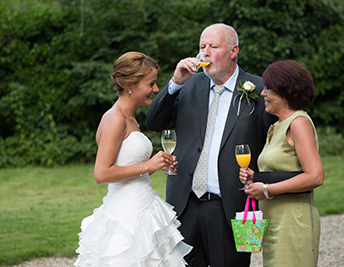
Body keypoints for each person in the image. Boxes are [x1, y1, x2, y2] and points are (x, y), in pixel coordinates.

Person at [145, 23, 297, 267]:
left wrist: (267, 180)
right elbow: (153, 121)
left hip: (231, 207)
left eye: (213, 47)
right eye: (201, 47)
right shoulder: (188, 85)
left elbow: (277, 146)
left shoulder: (259, 90)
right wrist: (175, 82)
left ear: (234, 51)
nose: (205, 53)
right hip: (184, 205)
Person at [74, 51, 192, 266]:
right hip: (126, 217)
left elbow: (125, 164)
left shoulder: (130, 118)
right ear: (130, 84)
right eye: (151, 84)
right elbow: (102, 174)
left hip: (144, 207)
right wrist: (147, 165)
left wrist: (155, 165)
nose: (155, 89)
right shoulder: (114, 118)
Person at [239, 60, 325, 266]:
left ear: (286, 92)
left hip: (293, 221)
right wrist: (255, 177)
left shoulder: (298, 123)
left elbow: (315, 176)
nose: (262, 94)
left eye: (268, 89)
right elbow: (284, 169)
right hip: (273, 218)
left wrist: (267, 189)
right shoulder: (276, 126)